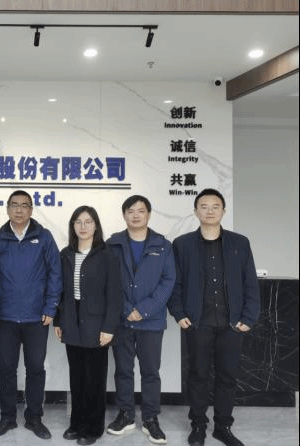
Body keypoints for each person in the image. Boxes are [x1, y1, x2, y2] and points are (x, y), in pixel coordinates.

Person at [169, 188, 260, 446]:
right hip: (198, 322)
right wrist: (179, 313)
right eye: (204, 206)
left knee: (227, 376)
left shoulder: (239, 243)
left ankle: (223, 427)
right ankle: (198, 425)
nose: (209, 211)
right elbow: (175, 283)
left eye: (215, 206)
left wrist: (249, 317)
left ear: (223, 210)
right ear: (196, 211)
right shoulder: (182, 244)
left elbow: (250, 282)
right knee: (198, 376)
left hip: (232, 323)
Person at [0, 190, 62, 440]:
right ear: (7, 209)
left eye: (24, 205)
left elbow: (55, 273)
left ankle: (34, 418)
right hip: (6, 317)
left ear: (31, 209)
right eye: (14, 205)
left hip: (36, 318)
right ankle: (7, 418)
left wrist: (50, 308)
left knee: (35, 369)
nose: (19, 210)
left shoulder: (44, 237)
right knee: (7, 369)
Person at [106, 195, 175, 445]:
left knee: (150, 371)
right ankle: (125, 415)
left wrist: (144, 310)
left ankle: (150, 418)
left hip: (151, 321)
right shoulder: (112, 244)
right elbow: (108, 280)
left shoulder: (163, 245)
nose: (135, 215)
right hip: (122, 320)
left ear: (149, 214)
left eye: (141, 211)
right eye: (130, 211)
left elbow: (168, 281)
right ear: (124, 215)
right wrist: (126, 309)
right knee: (123, 370)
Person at [54, 206, 122, 445]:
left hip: (97, 324)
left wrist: (109, 327)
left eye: (88, 221)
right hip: (71, 321)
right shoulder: (66, 254)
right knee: (77, 378)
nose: (83, 226)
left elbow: (115, 295)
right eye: (78, 222)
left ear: (96, 225)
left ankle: (93, 428)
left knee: (94, 380)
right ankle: (76, 424)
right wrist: (58, 321)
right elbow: (61, 292)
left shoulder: (108, 255)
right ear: (72, 226)